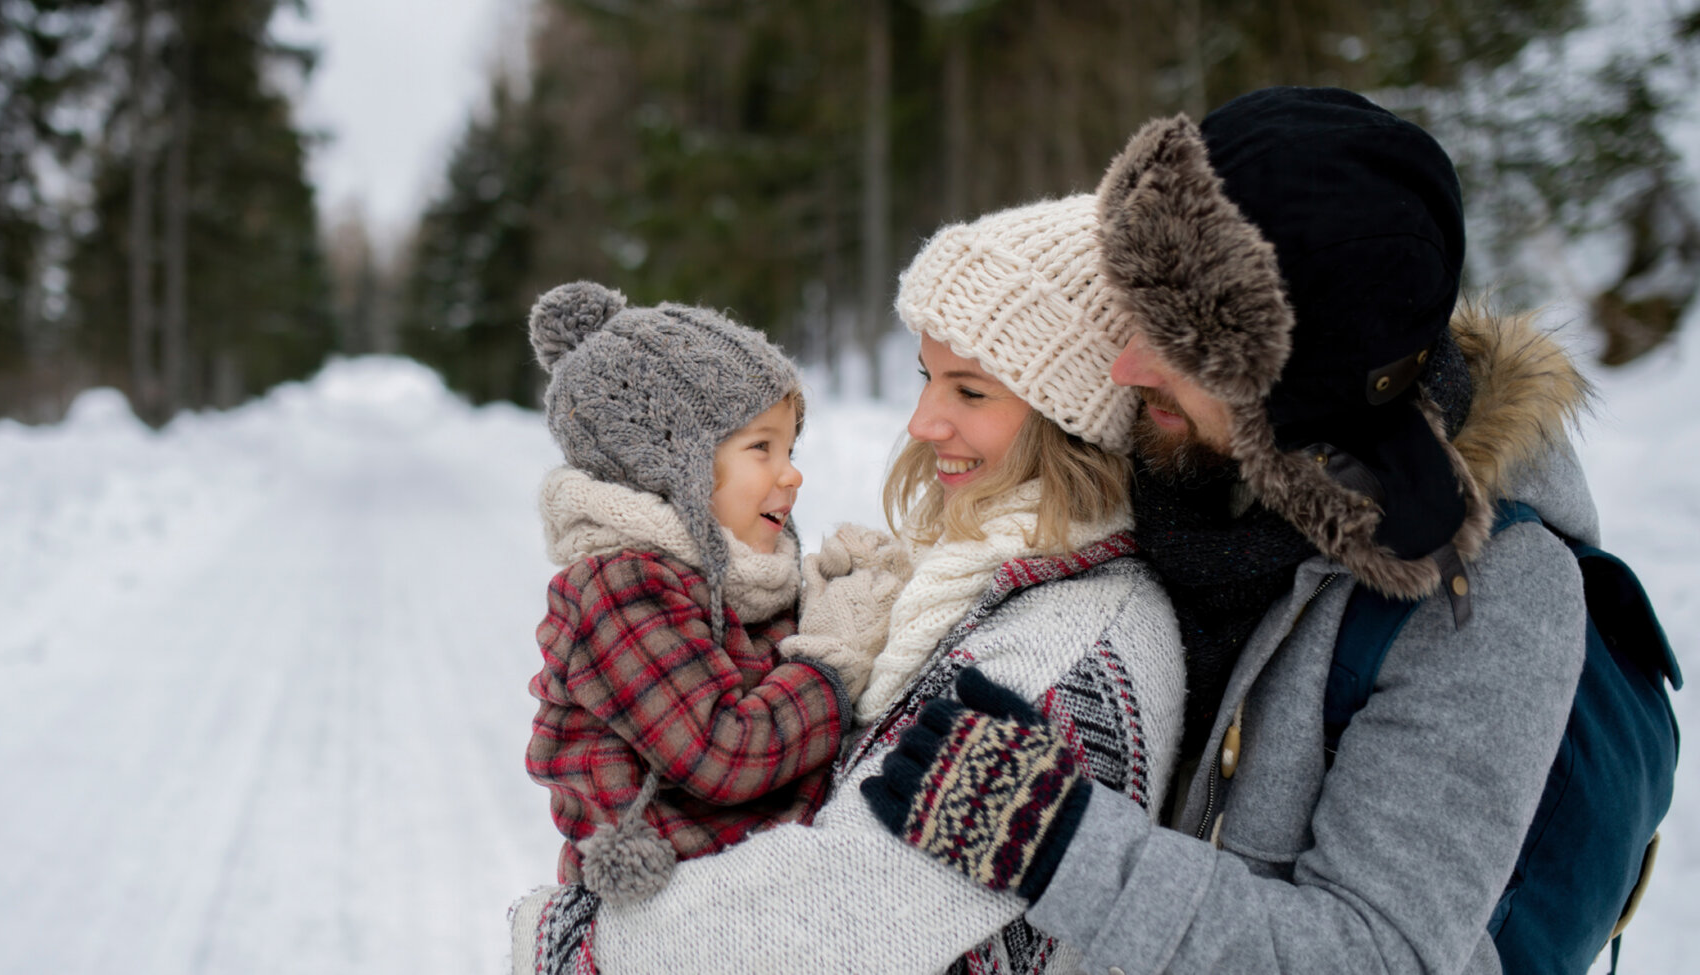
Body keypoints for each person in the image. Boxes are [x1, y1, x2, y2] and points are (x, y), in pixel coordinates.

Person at [860, 87, 1596, 974]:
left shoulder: (1490, 597)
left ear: (1302, 380)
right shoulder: (1192, 471)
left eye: (1181, 342)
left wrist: (1060, 842)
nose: (1129, 366)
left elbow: (1377, 953)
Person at [513, 194, 1188, 975]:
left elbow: (849, 904)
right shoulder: (963, 571)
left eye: (969, 390)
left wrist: (573, 947)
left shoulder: (1070, 648)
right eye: (928, 378)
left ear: (1070, 415)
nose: (923, 420)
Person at [520, 283, 899, 905]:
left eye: (790, 448)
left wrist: (845, 593)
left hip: (763, 892)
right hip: (679, 915)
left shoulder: (745, 576)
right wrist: (830, 663)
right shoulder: (618, 588)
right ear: (672, 463)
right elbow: (724, 754)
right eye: (761, 448)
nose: (792, 472)